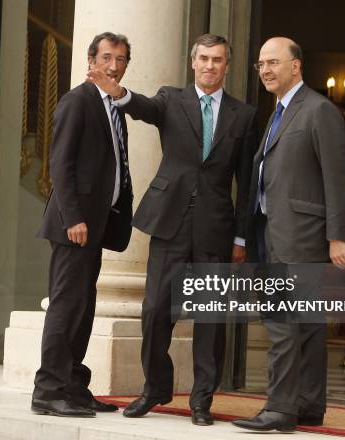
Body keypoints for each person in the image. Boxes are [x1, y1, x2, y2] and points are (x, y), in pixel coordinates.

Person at [88, 34, 257, 426]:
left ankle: (202, 400)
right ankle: (155, 389)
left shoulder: (244, 116)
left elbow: (246, 184)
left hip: (217, 227)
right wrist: (120, 93)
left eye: (217, 60)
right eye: (203, 59)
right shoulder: (171, 99)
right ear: (192, 63)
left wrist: (241, 237)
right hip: (170, 221)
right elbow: (143, 108)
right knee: (155, 310)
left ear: (226, 66)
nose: (210, 66)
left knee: (210, 321)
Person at [232, 37, 345, 432]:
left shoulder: (319, 110)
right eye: (261, 64)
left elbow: (338, 177)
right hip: (272, 230)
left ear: (296, 66)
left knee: (284, 322)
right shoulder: (279, 112)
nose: (265, 70)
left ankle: (280, 409)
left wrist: (337, 236)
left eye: (273, 62)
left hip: (302, 235)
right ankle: (308, 405)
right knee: (308, 323)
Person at [32, 32, 134, 418]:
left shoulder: (113, 106)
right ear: (91, 60)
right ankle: (48, 390)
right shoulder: (78, 100)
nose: (113, 65)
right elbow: (60, 163)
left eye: (120, 59)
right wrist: (73, 216)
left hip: (96, 226)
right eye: (106, 57)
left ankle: (73, 386)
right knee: (65, 307)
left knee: (83, 307)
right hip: (73, 226)